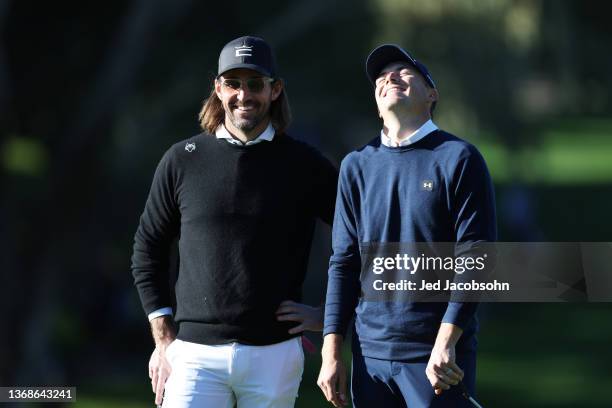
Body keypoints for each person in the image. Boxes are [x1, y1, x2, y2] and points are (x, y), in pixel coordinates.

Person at [131, 35, 337, 408]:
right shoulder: (182, 160)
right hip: (193, 355)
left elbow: (358, 241)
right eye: (233, 84)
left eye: (255, 84)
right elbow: (147, 247)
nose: (244, 95)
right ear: (218, 89)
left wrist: (329, 315)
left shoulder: (307, 166)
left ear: (275, 90)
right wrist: (163, 339)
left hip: (274, 355)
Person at [317, 44, 497, 407]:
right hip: (370, 357)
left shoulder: (459, 158)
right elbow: (344, 263)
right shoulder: (355, 166)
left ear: (432, 94)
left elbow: (476, 258)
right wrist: (331, 351)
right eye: (381, 78)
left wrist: (446, 343)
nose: (389, 78)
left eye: (403, 72)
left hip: (435, 359)